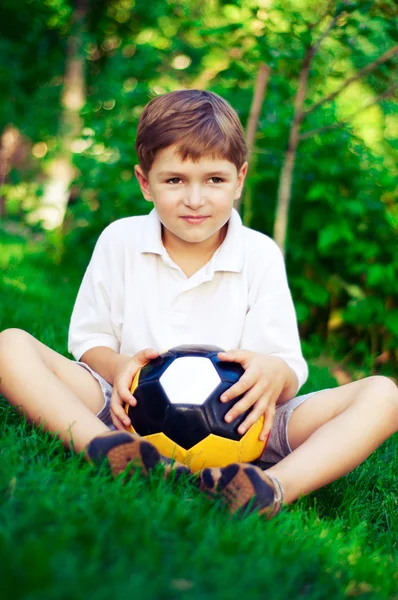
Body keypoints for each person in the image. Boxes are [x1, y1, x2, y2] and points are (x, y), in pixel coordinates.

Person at [0, 90, 397, 519]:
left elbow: (287, 369)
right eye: (174, 180)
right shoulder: (121, 240)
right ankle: (105, 447)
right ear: (144, 182)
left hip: (247, 426)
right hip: (126, 410)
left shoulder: (258, 254)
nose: (194, 199)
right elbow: (90, 340)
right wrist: (119, 370)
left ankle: (270, 487)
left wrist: (273, 372)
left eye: (214, 180)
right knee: (9, 344)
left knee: (384, 395)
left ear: (240, 179)